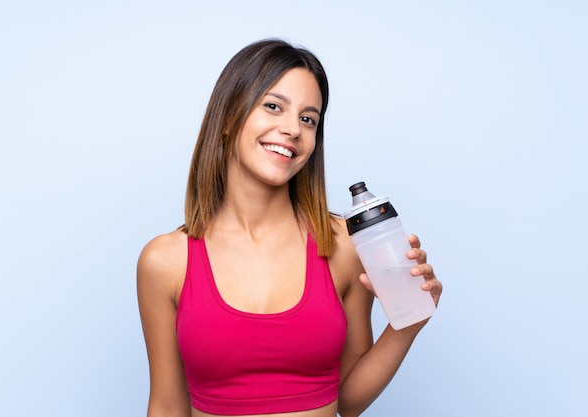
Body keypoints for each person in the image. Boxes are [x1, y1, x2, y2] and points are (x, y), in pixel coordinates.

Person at [137, 38, 443, 417]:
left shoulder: (343, 246)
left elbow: (347, 401)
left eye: (307, 118)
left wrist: (408, 323)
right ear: (229, 118)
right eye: (273, 107)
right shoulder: (165, 261)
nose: (293, 129)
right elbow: (167, 405)